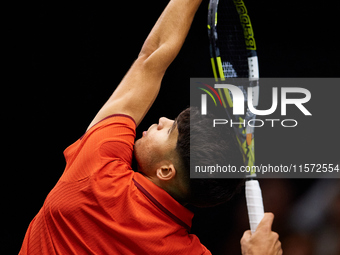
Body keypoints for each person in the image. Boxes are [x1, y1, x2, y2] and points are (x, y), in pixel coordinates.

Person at [20, 0, 282, 254]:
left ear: (166, 170)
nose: (162, 121)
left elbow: (152, 57)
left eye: (169, 130)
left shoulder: (99, 171)